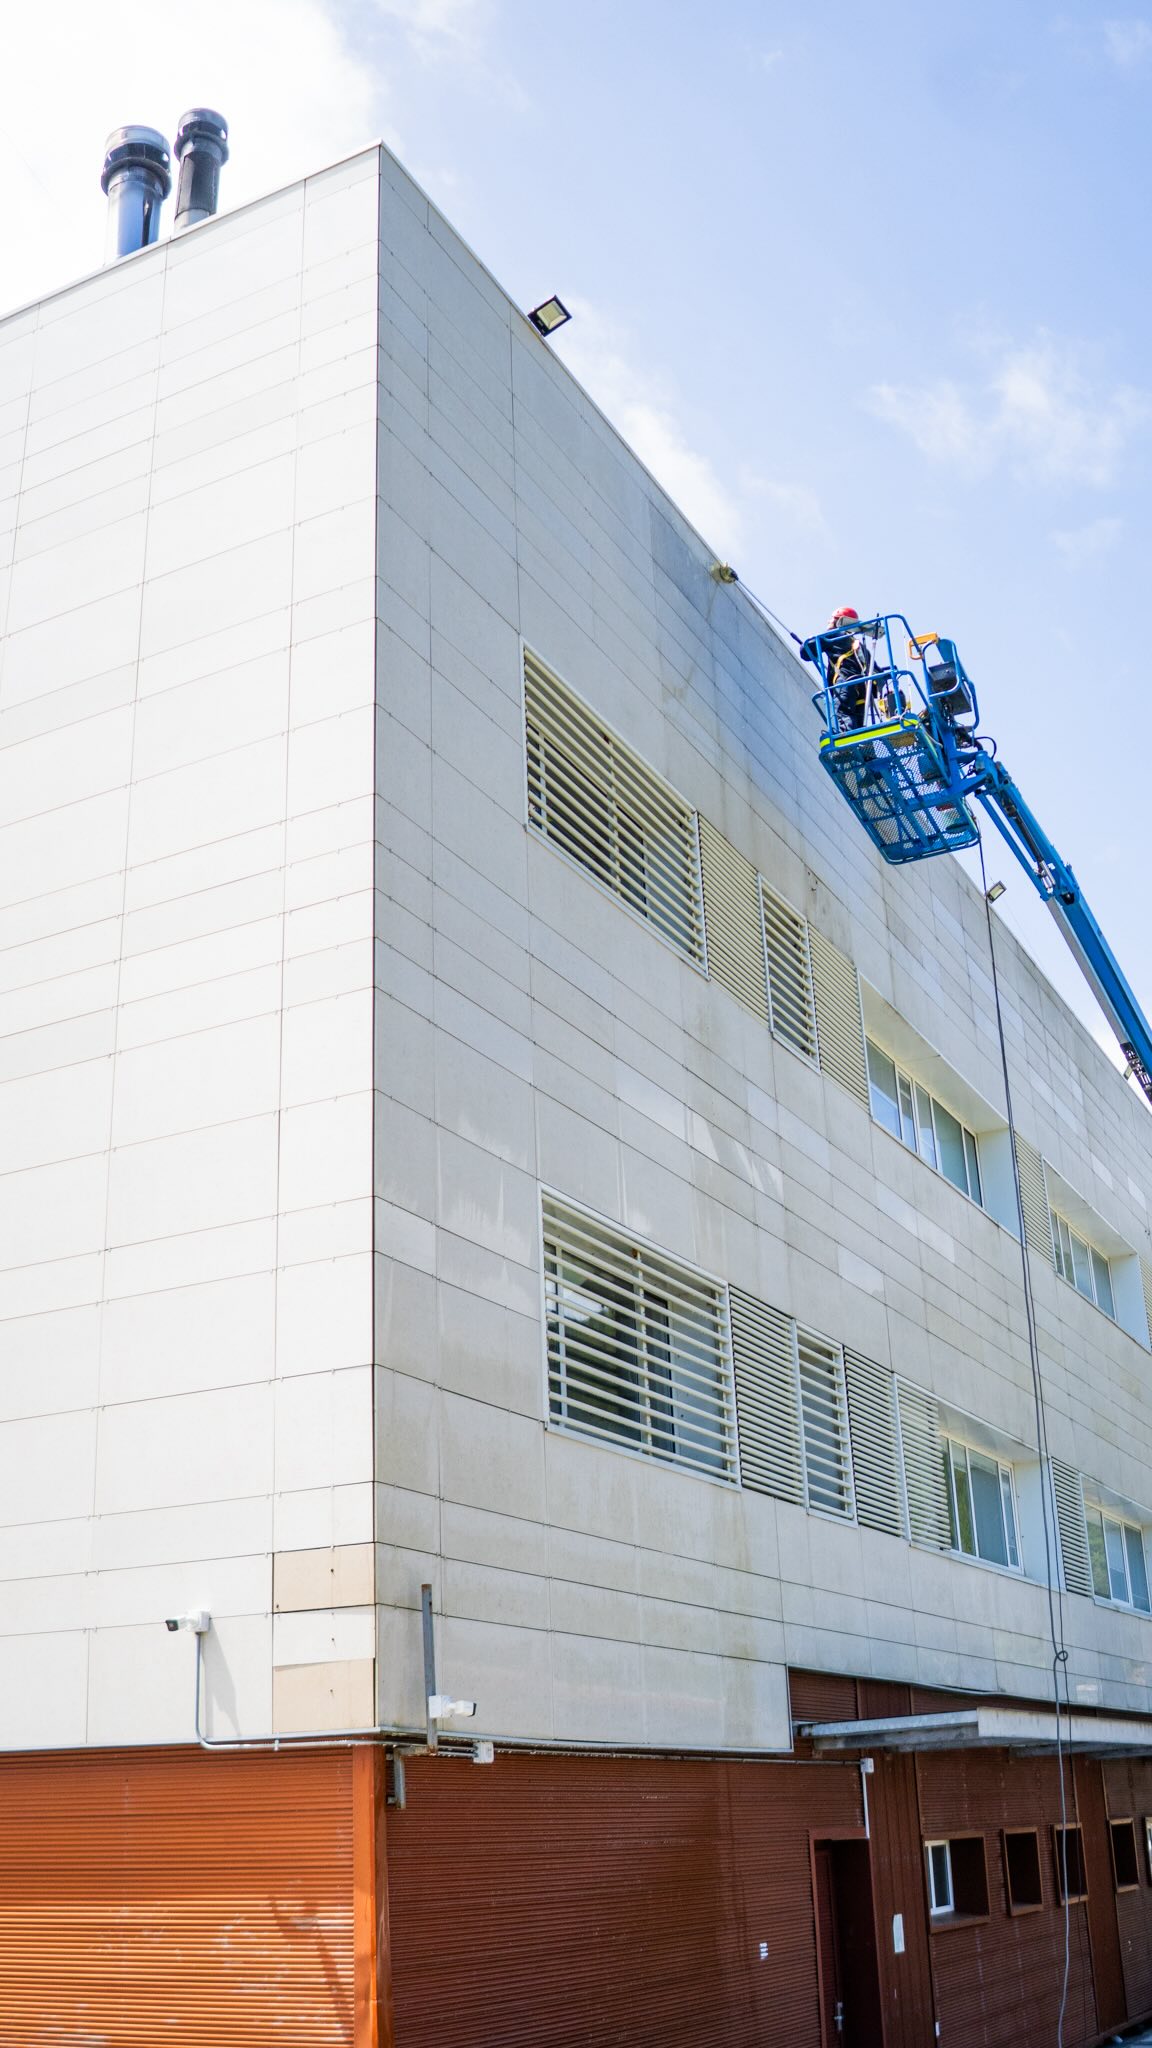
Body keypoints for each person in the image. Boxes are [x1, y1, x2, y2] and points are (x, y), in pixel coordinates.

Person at [800, 607, 875, 730]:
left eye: (831, 619)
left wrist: (808, 644)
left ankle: (848, 738)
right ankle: (860, 740)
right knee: (859, 724)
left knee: (844, 714)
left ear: (839, 621)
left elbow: (805, 651)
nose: (828, 621)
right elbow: (877, 671)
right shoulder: (860, 646)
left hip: (845, 684)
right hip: (863, 690)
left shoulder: (834, 635)